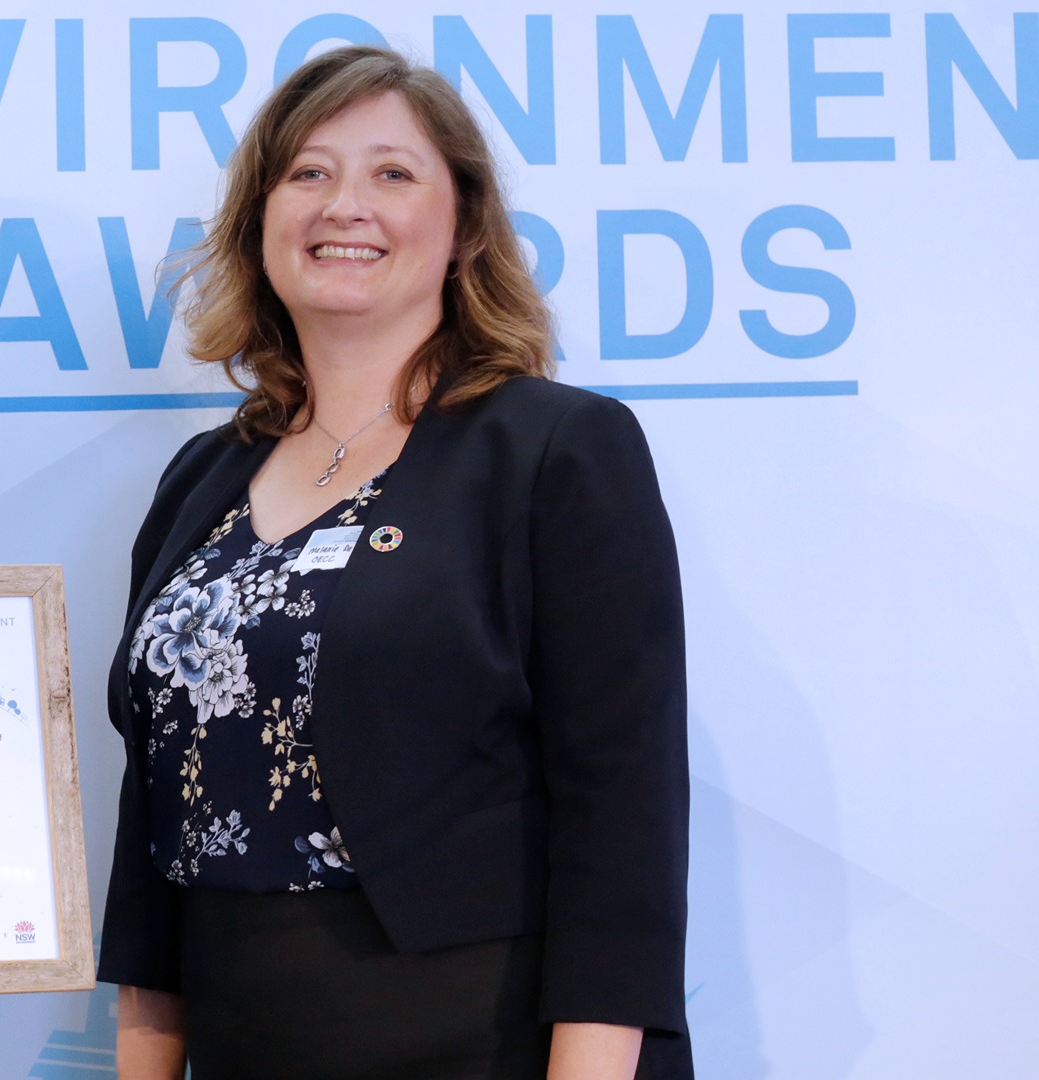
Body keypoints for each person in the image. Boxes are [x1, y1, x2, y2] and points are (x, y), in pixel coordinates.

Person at [99, 46, 690, 1080]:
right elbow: (154, 818)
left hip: (475, 1040)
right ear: (261, 220)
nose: (344, 206)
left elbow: (623, 814)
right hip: (242, 1037)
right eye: (309, 173)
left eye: (393, 174)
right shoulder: (200, 482)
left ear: (464, 228)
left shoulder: (555, 450)